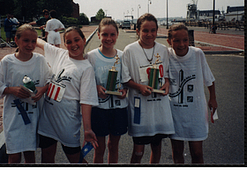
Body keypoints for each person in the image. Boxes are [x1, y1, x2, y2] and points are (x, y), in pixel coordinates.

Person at [36, 26, 99, 163]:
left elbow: (86, 101)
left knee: (75, 159)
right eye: (69, 42)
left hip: (67, 122)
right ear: (65, 44)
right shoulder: (60, 54)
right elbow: (39, 42)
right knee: (46, 159)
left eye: (77, 40)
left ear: (83, 40)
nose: (73, 45)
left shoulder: (86, 68)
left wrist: (87, 129)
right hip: (48, 119)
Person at [0, 24, 52, 163]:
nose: (30, 45)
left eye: (33, 41)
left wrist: (42, 89)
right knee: (14, 154)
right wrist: (12, 90)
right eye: (26, 40)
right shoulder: (7, 62)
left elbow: (50, 80)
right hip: (14, 116)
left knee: (30, 152)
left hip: (34, 116)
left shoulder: (40, 60)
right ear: (16, 40)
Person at [121, 13, 174, 164]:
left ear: (157, 31)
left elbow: (167, 73)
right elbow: (125, 78)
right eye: (145, 30)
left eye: (153, 30)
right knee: (138, 152)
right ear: (137, 31)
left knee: (157, 148)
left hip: (159, 108)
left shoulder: (163, 50)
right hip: (140, 107)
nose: (149, 34)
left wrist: (167, 83)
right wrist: (138, 86)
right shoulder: (129, 50)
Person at [167, 23, 218, 164]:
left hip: (196, 112)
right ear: (169, 41)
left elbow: (210, 79)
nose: (181, 44)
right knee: (177, 153)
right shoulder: (166, 55)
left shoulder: (197, 54)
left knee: (197, 153)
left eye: (185, 40)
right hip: (175, 113)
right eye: (176, 40)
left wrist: (212, 98)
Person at [86, 18, 128, 163]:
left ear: (117, 35)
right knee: (99, 147)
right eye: (105, 34)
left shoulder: (123, 56)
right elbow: (86, 82)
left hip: (119, 109)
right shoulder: (91, 56)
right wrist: (95, 87)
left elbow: (127, 80)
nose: (108, 38)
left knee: (113, 146)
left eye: (112, 35)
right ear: (98, 35)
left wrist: (125, 90)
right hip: (99, 109)